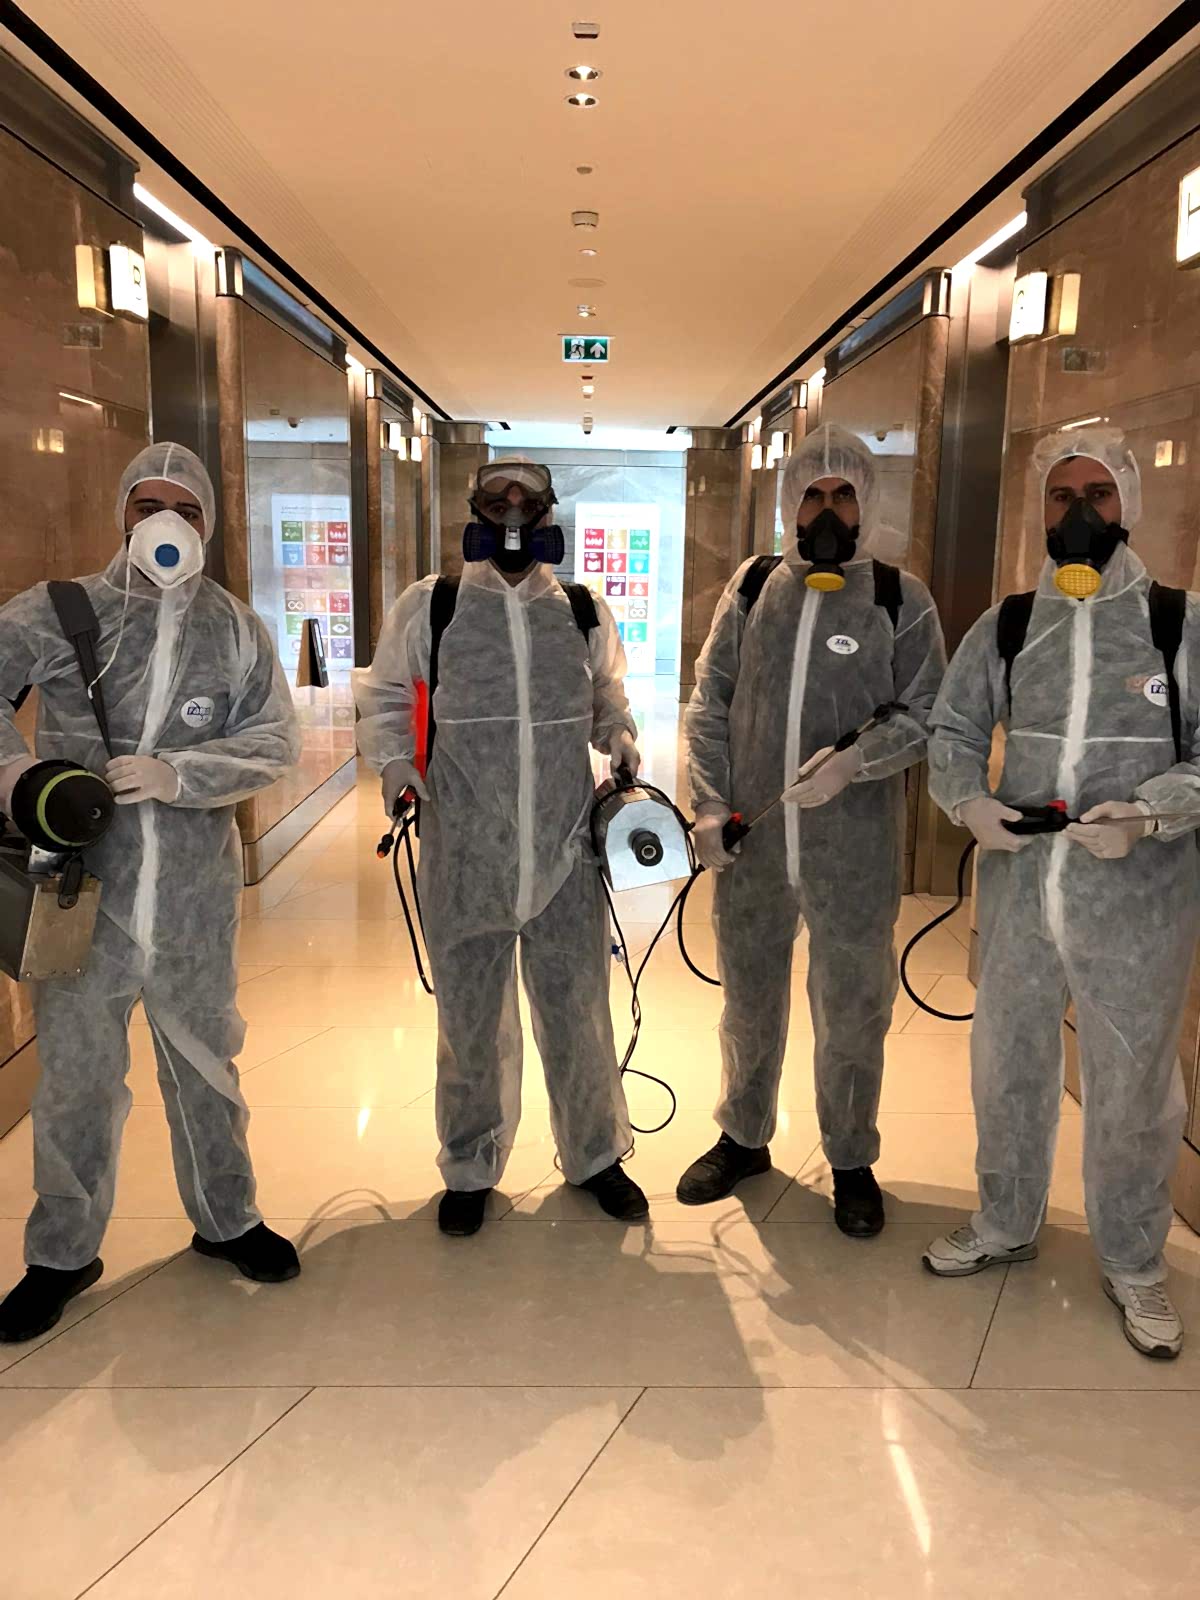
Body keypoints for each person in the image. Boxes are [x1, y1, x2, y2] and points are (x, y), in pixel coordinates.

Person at [0, 443, 303, 1344]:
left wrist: (181, 775)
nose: (166, 524)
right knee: (77, 1078)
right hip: (80, 891)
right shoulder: (61, 611)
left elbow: (275, 740)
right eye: (148, 506)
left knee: (207, 1061)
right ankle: (62, 1253)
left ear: (209, 523)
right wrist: (19, 778)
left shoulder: (236, 629)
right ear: (123, 515)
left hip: (191, 902)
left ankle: (227, 1218)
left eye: (187, 509)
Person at [922, 425, 1200, 1361]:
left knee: (1132, 1083)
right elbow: (954, 729)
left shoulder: (1178, 623)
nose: (1080, 513)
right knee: (1007, 1062)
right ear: (1040, 509)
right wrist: (969, 803)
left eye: (1098, 494)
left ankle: (1134, 1259)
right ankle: (1004, 1221)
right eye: (1061, 495)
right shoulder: (1007, 624)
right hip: (1020, 892)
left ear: (1128, 504)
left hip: (1139, 903)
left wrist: (1150, 814)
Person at [355, 457, 648, 1237]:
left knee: (579, 1011)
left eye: (527, 500)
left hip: (564, 851)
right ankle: (470, 1165)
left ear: (549, 513)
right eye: (497, 498)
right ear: (475, 510)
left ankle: (595, 1155)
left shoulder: (580, 610)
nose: (512, 510)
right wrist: (394, 762)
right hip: (465, 852)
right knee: (471, 1022)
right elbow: (387, 694)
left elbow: (606, 695)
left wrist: (619, 735)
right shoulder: (435, 605)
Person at [678, 423, 946, 1234]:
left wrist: (855, 761)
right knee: (748, 1000)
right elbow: (710, 701)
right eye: (812, 495)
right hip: (754, 843)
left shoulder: (901, 598)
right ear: (789, 504)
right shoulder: (754, 587)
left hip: (853, 848)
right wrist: (708, 804)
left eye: (844, 494)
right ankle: (743, 1137)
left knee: (854, 1009)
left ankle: (851, 1158)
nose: (827, 510)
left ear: (868, 503)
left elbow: (927, 711)